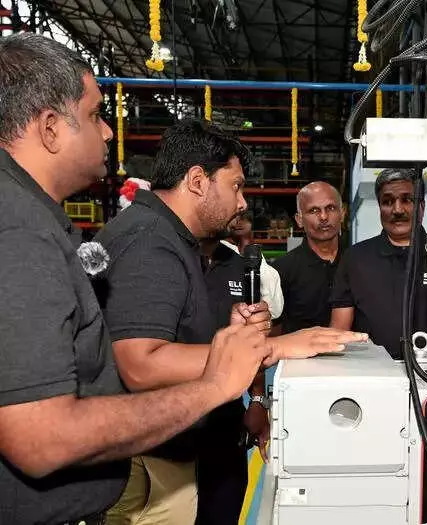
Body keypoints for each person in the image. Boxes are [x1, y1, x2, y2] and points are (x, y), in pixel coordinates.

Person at [0, 32, 272, 524]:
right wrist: (215, 384)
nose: (108, 132)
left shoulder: (36, 217)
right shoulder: (20, 228)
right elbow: (43, 438)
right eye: (94, 115)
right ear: (50, 128)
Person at [95, 119, 366, 523]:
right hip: (150, 462)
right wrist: (272, 347)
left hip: (180, 448)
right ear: (198, 181)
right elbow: (140, 364)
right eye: (235, 186)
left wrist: (233, 336)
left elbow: (174, 337)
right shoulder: (151, 242)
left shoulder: (171, 239)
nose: (241, 203)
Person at [330, 169, 427, 359]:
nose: (397, 210)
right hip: (371, 371)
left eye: (407, 200)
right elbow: (338, 333)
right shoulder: (356, 259)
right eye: (388, 202)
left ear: (422, 207)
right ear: (380, 207)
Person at [197, 232, 269, 525]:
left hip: (225, 423)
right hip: (172, 429)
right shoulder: (168, 259)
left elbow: (253, 339)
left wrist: (258, 399)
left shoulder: (240, 266)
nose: (239, 209)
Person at [272, 181, 344, 335]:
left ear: (342, 213)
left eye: (330, 208)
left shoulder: (358, 262)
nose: (323, 217)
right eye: (314, 210)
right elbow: (273, 332)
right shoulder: (281, 271)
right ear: (299, 220)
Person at [228, 211, 284, 319]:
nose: (239, 223)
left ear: (251, 223)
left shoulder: (270, 272)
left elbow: (275, 311)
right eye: (236, 219)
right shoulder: (220, 255)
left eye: (244, 219)